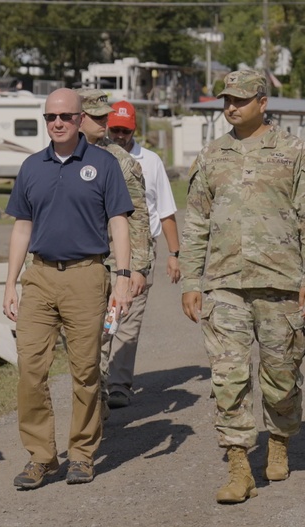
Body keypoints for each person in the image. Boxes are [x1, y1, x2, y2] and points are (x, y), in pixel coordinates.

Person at [180, 69, 305, 504]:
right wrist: (191, 280)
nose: (231, 107)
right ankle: (238, 465)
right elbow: (196, 224)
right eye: (227, 100)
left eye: (241, 100)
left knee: (281, 376)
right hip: (224, 284)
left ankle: (279, 437)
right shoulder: (210, 156)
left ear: (263, 102)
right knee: (228, 376)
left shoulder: (294, 152)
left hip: (281, 282)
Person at [3, 88, 134, 490]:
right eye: (49, 117)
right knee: (30, 370)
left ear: (81, 119)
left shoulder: (104, 164)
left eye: (64, 116)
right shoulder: (31, 167)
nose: (56, 123)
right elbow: (22, 226)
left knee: (86, 371)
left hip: (86, 276)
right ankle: (42, 456)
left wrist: (124, 276)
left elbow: (118, 222)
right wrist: (10, 282)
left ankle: (81, 453)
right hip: (39, 276)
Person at [73, 89, 153, 414]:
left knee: (105, 332)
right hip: (72, 265)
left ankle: (98, 399)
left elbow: (138, 217)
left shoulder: (121, 162)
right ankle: (94, 399)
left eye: (106, 115)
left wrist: (137, 267)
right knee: (80, 341)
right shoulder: (60, 155)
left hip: (110, 265)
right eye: (97, 116)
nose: (105, 122)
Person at [103, 100, 182, 409]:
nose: (120, 135)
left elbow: (166, 211)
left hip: (140, 252)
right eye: (115, 129)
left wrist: (174, 254)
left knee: (128, 318)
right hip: (104, 251)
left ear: (134, 129)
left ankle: (119, 384)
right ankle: (96, 382)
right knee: (105, 319)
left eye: (125, 130)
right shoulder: (101, 157)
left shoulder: (149, 161)